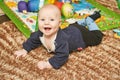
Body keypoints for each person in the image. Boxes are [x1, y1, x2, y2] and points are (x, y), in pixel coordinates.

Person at [14, 4, 103, 69]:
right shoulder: (40, 33)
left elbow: (63, 55)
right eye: (42, 19)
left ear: (59, 23)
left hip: (81, 35)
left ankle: (89, 20)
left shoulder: (60, 40)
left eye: (52, 20)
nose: (46, 22)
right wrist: (24, 49)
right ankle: (81, 22)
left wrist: (48, 64)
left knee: (97, 38)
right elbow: (32, 40)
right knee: (73, 25)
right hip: (72, 28)